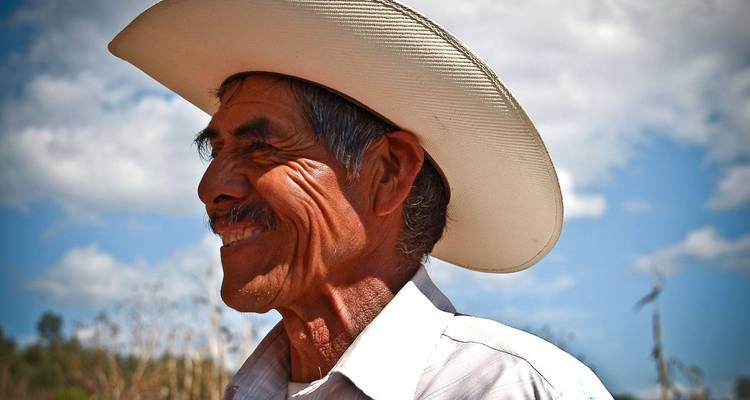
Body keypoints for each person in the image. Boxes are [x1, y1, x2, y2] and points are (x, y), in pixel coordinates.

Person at [110, 0, 613, 399]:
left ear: (388, 173)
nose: (210, 188)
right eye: (215, 151)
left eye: (261, 147)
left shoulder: (513, 389)